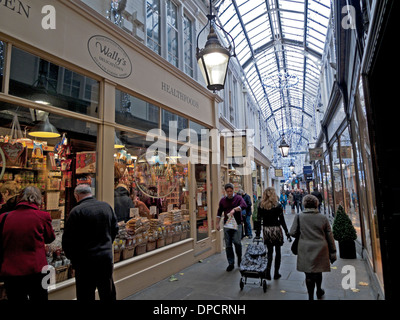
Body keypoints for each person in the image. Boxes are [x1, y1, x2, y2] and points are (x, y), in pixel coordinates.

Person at [62, 184, 119, 301]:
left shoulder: (76, 211)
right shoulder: (106, 207)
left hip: (85, 262)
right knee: (107, 291)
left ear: (76, 196)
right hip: (105, 258)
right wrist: (107, 244)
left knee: (85, 294)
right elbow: (115, 229)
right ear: (90, 193)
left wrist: (73, 259)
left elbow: (68, 240)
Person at [0, 186, 55, 300]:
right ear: (38, 199)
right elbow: (50, 238)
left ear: (19, 198)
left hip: (11, 270)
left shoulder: (4, 217)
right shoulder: (43, 216)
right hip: (38, 269)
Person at [289, 194, 337, 300]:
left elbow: (292, 232)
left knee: (308, 274)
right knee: (318, 271)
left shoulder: (299, 216)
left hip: (305, 248)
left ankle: (310, 297)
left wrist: (302, 232)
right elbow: (330, 236)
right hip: (321, 248)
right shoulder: (323, 218)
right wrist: (333, 251)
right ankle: (319, 290)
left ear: (304, 204)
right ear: (316, 204)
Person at [255, 187, 290, 280]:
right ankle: (276, 273)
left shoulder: (261, 205)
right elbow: (282, 220)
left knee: (269, 252)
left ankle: (268, 272)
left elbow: (258, 220)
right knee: (278, 252)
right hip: (276, 230)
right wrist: (287, 233)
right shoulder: (278, 206)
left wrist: (258, 234)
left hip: (266, 230)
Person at [216, 183, 247, 272]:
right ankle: (231, 263)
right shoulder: (223, 201)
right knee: (228, 244)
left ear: (233, 190)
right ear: (225, 191)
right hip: (227, 224)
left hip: (237, 224)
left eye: (231, 191)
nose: (229, 193)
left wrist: (235, 209)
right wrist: (217, 224)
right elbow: (219, 213)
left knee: (237, 242)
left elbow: (244, 205)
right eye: (227, 191)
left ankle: (240, 258)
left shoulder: (238, 198)